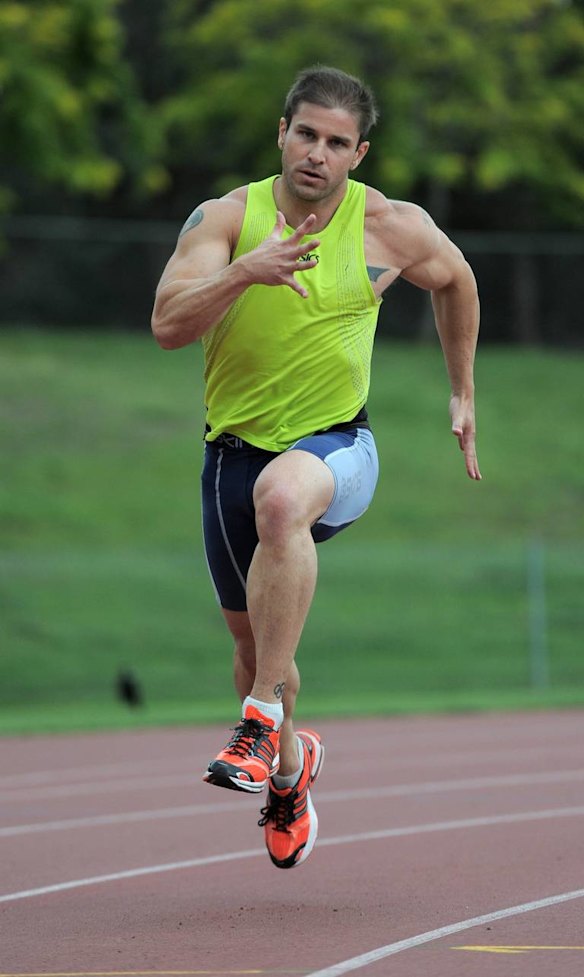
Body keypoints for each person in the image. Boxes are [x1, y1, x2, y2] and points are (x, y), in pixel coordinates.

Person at [151, 65, 481, 870]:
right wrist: (244, 271)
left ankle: (260, 718)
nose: (318, 154)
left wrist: (463, 390)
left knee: (282, 497)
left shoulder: (391, 226)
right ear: (282, 133)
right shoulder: (227, 218)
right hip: (229, 453)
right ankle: (291, 768)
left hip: (340, 444)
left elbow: (457, 280)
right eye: (306, 134)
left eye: (337, 142)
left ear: (357, 153)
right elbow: (165, 324)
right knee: (257, 647)